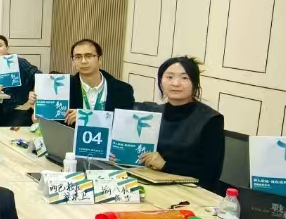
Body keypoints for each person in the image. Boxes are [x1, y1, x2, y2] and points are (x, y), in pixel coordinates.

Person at [137, 57, 224, 192]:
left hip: (190, 191)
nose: (175, 83)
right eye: (169, 77)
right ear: (161, 81)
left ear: (195, 83)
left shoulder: (211, 119)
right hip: (149, 182)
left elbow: (211, 173)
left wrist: (165, 165)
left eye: (184, 78)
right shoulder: (152, 113)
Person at [63, 39, 133, 124]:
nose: (83, 61)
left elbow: (125, 123)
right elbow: (56, 122)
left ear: (99, 59)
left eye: (88, 56)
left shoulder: (123, 90)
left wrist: (88, 117)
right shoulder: (64, 88)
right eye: (78, 57)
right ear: (73, 62)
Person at [0, 34, 39, 126]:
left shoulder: (19, 62)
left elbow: (38, 75)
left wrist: (33, 95)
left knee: (14, 128)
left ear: (7, 48)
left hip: (18, 107)